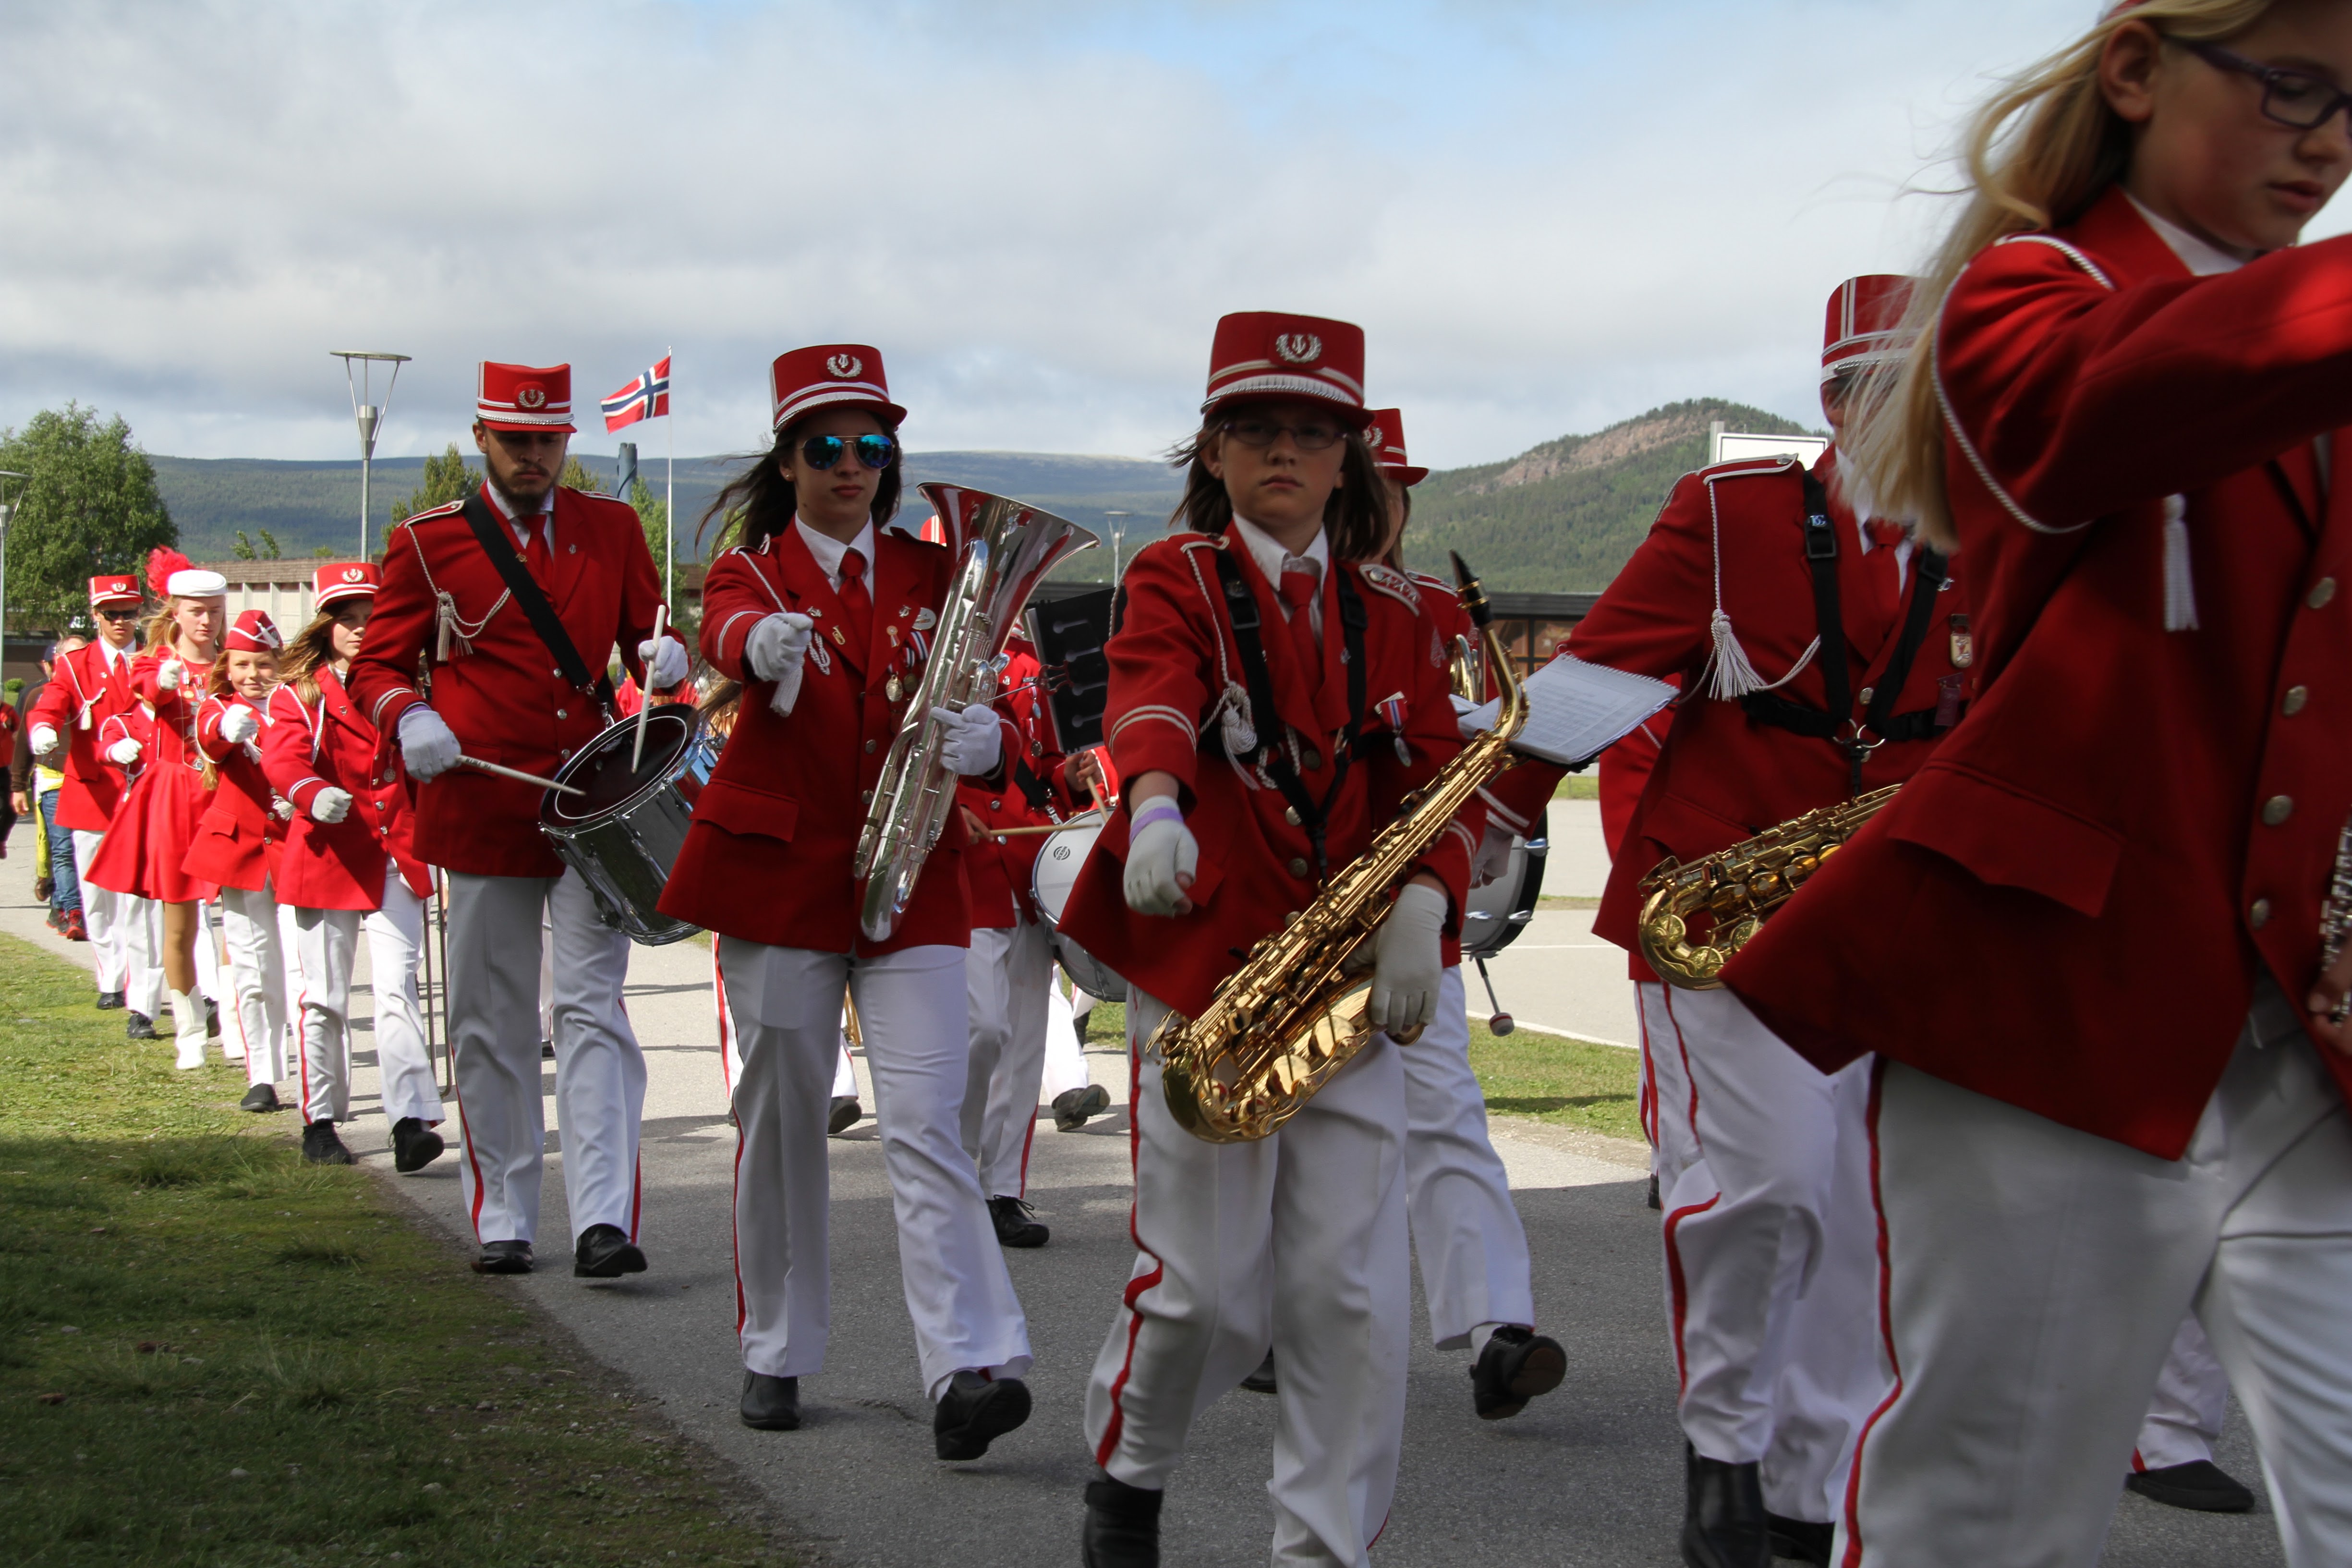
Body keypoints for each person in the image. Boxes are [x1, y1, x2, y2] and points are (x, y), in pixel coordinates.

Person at [1717, 4, 2352, 1563]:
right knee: (1979, 1522)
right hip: (2054, 1008)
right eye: (2293, 88)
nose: (2329, 143)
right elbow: (2094, 412)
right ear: (2134, 71)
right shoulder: (2025, 293)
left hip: (2295, 1027)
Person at [1480, 277, 1974, 1568]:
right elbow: (1594, 675)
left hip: (1885, 920)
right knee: (1767, 1187)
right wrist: (1474, 840)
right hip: (1716, 909)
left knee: (1861, 1217)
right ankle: (1724, 1448)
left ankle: (1810, 1495)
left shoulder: (1988, 532)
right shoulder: (1730, 511)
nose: (1897, 414)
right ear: (1831, 402)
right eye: (1868, 390)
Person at [1060, 312, 1471, 1568]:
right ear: (1214, 453)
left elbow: (1437, 781)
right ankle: (1129, 1471)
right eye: (1254, 430)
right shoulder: (1176, 576)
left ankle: (1322, 1549)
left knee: (1347, 1295)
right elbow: (1153, 692)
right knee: (1204, 1295)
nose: (1283, 452)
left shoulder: (1398, 609)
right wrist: (1156, 806)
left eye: (1311, 432)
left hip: (1346, 981)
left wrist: (1426, 901)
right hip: (1212, 964)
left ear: (1348, 460)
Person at [657, 343, 1035, 1456]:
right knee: (782, 1117)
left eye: (870, 445)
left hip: (912, 878)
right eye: (825, 446)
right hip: (779, 877)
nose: (849, 465)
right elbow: (724, 626)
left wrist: (992, 738)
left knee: (927, 1120)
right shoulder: (754, 571)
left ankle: (968, 1365)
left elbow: (983, 687)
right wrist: (756, 643)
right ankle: (776, 1346)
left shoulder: (934, 573)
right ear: (787, 461)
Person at [348, 362, 681, 1273]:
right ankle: (504, 1215)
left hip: (588, 803)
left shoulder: (612, 528)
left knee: (590, 1010)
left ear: (566, 441)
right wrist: (406, 714)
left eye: (547, 440)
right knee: (490, 1021)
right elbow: (375, 666)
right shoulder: (428, 541)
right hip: (482, 801)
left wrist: (663, 657)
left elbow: (646, 640)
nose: (532, 456)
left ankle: (603, 1221)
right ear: (481, 439)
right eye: (514, 440)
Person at [1360, 405, 1569, 1422]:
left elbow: (1470, 756)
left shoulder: (1443, 610)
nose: (1386, 509)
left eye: (1398, 491)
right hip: (1291, 903)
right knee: (1282, 1128)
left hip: (1417, 896)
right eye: (1372, 486)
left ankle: (1498, 1329)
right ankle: (1266, 1314)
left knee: (1445, 1112)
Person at [268, 563, 446, 1169]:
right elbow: (282, 758)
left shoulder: (409, 688)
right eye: (346, 618)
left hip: (395, 852)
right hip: (329, 854)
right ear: (325, 626)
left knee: (398, 988)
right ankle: (319, 1120)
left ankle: (409, 1121)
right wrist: (309, 790)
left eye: (371, 617)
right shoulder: (300, 692)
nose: (360, 628)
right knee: (324, 997)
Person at [958, 633, 1111, 1249]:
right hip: (965, 867)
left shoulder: (1030, 660)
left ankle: (1000, 1190)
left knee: (1023, 1045)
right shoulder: (939, 644)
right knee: (980, 1030)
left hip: (1025, 868)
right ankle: (950, 1175)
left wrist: (1065, 776)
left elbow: (1038, 770)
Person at [86, 548, 227, 1070]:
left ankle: (239, 1022)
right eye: (196, 611)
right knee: (179, 927)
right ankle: (189, 1027)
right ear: (176, 612)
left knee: (242, 924)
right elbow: (145, 687)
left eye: (214, 611)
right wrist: (164, 681)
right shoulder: (153, 661)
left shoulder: (234, 663)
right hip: (176, 798)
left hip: (229, 795)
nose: (206, 621)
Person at [184, 609, 294, 1113]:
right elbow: (209, 732)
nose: (253, 675)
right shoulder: (219, 706)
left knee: (300, 966)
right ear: (226, 667)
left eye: (264, 663)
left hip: (297, 847)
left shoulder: (298, 704)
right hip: (245, 850)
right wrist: (229, 728)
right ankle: (263, 1073)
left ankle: (312, 1071)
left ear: (281, 663)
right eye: (243, 664)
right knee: (252, 965)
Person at [29, 581, 153, 1007]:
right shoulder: (75, 663)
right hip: (93, 794)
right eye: (111, 613)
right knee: (97, 896)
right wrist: (43, 726)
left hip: (143, 790)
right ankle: (111, 978)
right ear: (96, 615)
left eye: (128, 613)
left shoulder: (155, 658)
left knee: (138, 897)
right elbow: (53, 700)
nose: (120, 622)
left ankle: (141, 981)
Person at [18, 635, 86, 936]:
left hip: (90, 782)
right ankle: (72, 911)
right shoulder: (39, 695)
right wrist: (17, 785)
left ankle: (63, 903)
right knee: (63, 850)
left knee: (85, 849)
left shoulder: (98, 690)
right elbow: (23, 742)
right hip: (55, 781)